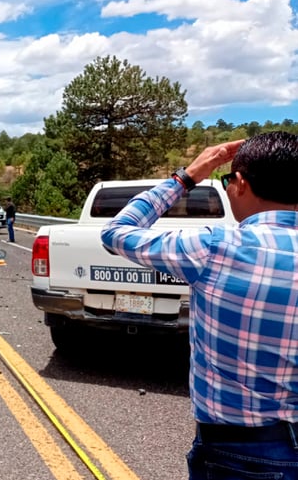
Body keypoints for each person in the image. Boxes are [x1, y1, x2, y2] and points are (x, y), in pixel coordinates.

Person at [100, 132, 298, 480]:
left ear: (239, 183)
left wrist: (186, 177)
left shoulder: (214, 247)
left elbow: (117, 232)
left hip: (238, 453)